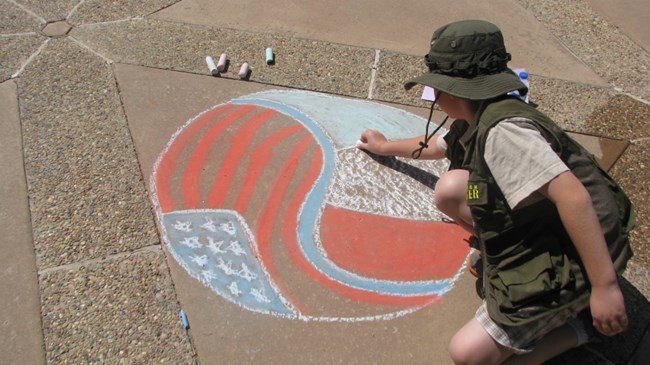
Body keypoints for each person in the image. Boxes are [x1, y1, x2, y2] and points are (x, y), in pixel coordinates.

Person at [357, 19, 634, 365]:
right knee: (450, 190)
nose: (434, 96)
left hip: (580, 254)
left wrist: (605, 288)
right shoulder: (484, 111)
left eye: (434, 89)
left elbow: (573, 197)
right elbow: (438, 145)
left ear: (452, 91)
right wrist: (384, 147)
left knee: (468, 354)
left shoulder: (505, 133)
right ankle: (521, 264)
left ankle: (576, 326)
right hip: (546, 225)